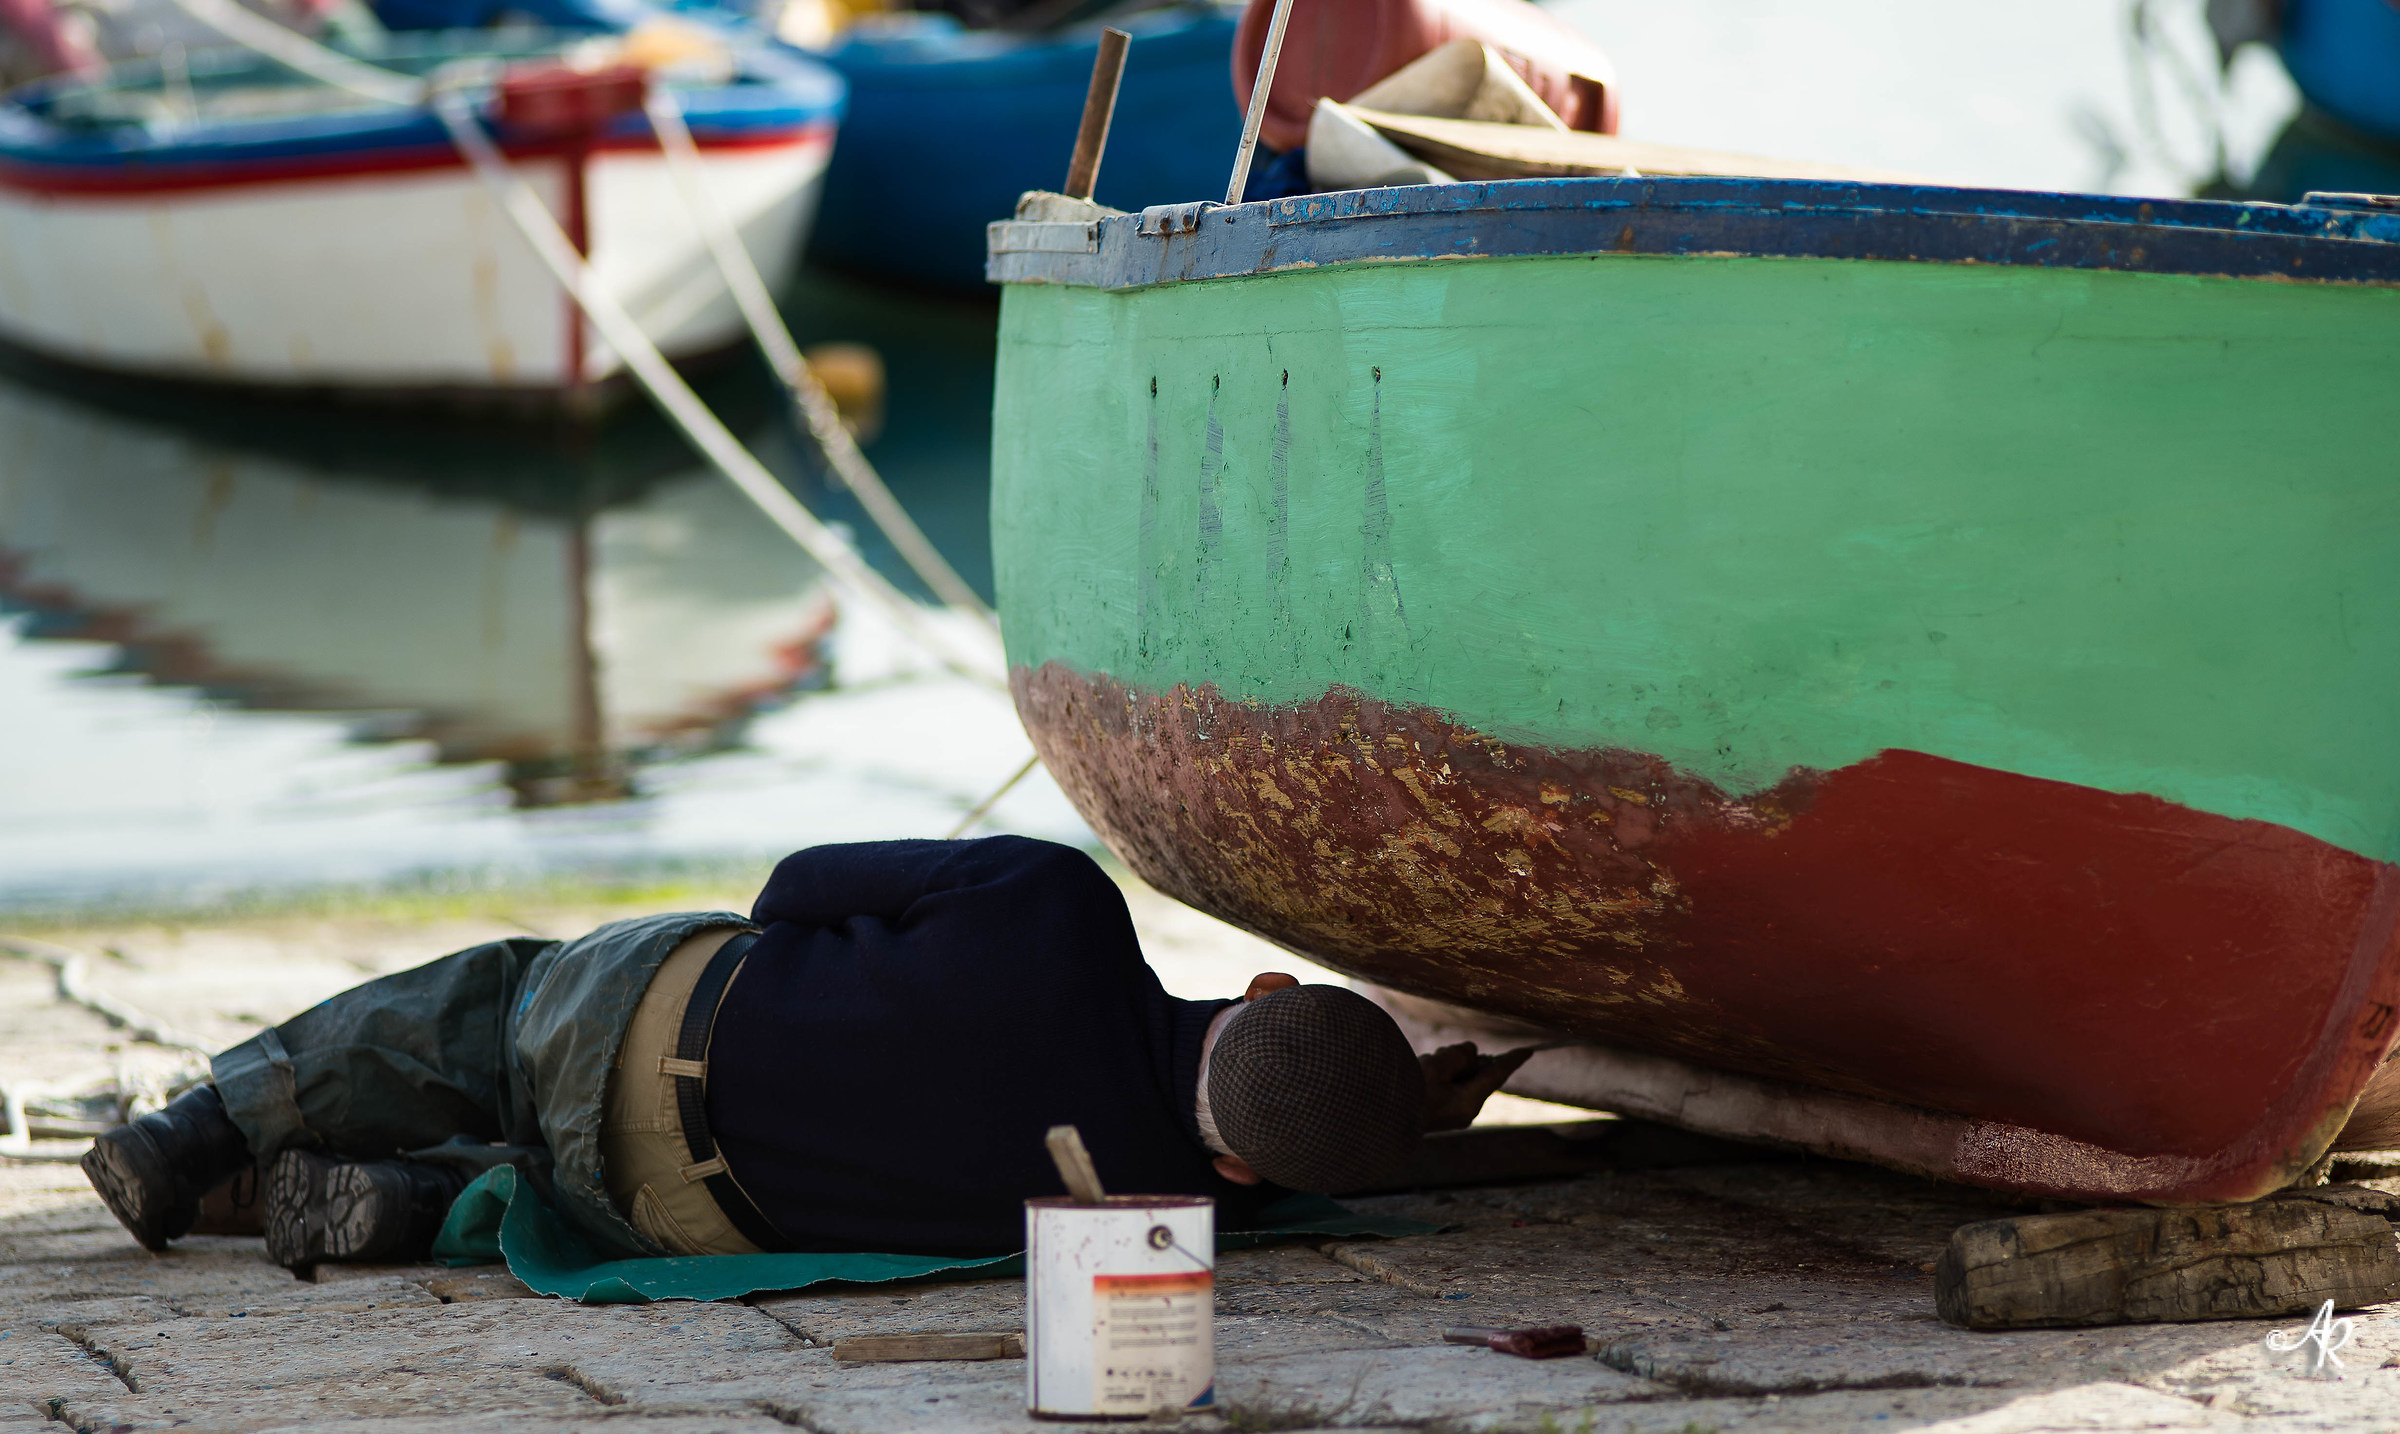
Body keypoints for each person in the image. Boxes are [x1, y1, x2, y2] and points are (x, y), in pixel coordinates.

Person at [81, 836, 1531, 1272]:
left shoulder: (1060, 905)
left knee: (484, 1007)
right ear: (1236, 1163)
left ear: (1260, 981)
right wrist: (1406, 1111)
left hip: (645, 1022)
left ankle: (200, 1126)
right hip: (669, 1206)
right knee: (552, 1173)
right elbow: (1299, 1147)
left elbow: (787, 890)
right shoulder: (1158, 1211)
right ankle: (414, 1204)